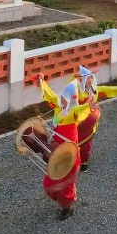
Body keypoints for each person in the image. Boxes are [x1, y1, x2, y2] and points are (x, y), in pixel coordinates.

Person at [36, 78, 90, 219]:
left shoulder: (74, 113)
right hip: (56, 152)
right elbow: (50, 94)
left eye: (63, 98)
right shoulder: (59, 107)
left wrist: (90, 103)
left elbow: (84, 108)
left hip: (69, 154)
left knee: (66, 185)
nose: (60, 99)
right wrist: (41, 82)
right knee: (49, 182)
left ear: (70, 99)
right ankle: (65, 200)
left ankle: (68, 207)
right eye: (61, 97)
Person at [72, 66, 117, 172]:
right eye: (87, 78)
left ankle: (83, 161)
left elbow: (108, 90)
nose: (90, 80)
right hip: (77, 119)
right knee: (73, 139)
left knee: (86, 144)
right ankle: (72, 158)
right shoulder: (77, 90)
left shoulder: (95, 89)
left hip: (90, 121)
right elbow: (70, 88)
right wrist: (74, 79)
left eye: (91, 78)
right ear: (81, 80)